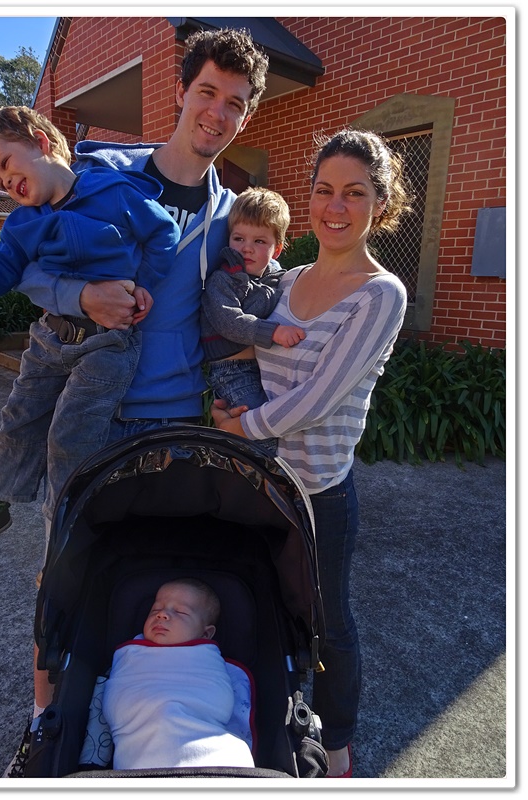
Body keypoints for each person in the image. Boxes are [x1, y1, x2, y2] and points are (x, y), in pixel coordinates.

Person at [3, 27, 269, 777]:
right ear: (181, 92)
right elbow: (27, 266)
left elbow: (244, 301)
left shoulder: (230, 214)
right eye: (207, 93)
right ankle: (44, 722)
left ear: (245, 115)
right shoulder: (99, 173)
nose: (217, 113)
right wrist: (79, 295)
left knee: (145, 572)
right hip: (93, 412)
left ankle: (140, 701)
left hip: (177, 420)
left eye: (235, 103)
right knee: (62, 571)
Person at [210, 128, 412, 777]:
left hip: (318, 493)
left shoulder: (381, 294)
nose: (335, 206)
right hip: (259, 482)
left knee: (327, 623)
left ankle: (339, 745)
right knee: (261, 605)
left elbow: (319, 400)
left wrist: (239, 428)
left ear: (380, 204)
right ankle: (270, 725)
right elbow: (243, 346)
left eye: (354, 193)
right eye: (324, 190)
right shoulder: (288, 278)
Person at [0, 106, 179, 563]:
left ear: (41, 142)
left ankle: (64, 535)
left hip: (108, 342)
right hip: (49, 338)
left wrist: (145, 283)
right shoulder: (20, 225)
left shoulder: (112, 191)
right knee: (18, 417)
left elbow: (163, 233)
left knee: (70, 435)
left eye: (6, 164)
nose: (6, 183)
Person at [100, 578, 254, 769]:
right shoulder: (132, 656)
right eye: (155, 609)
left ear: (206, 634)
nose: (162, 614)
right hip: (138, 756)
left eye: (180, 612)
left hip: (212, 752)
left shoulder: (208, 662)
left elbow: (217, 701)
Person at [200, 187, 305, 453]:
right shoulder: (223, 280)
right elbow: (230, 321)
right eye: (239, 238)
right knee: (258, 435)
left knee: (279, 426)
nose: (246, 248)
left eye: (259, 241)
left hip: (266, 367)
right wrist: (273, 332)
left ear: (276, 249)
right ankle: (258, 475)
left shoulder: (277, 278)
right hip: (232, 371)